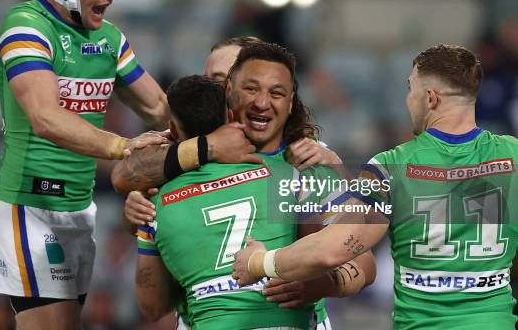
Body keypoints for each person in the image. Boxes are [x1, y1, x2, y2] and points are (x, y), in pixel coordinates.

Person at [233, 44, 518, 329]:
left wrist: (260, 262)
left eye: (411, 89)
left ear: (430, 98)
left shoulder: (391, 167)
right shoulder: (513, 155)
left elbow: (334, 249)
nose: (408, 100)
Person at [0, 0, 174, 330]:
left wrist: (219, 140)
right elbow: (45, 117)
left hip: (79, 209)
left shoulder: (110, 38)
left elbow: (158, 107)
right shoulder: (25, 26)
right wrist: (124, 146)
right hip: (28, 207)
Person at [115, 43, 376, 329]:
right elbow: (123, 175)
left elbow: (362, 257)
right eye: (215, 79)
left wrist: (319, 285)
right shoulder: (182, 152)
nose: (261, 102)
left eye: (274, 91)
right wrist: (208, 148)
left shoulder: (307, 160)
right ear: (229, 94)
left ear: (290, 101)